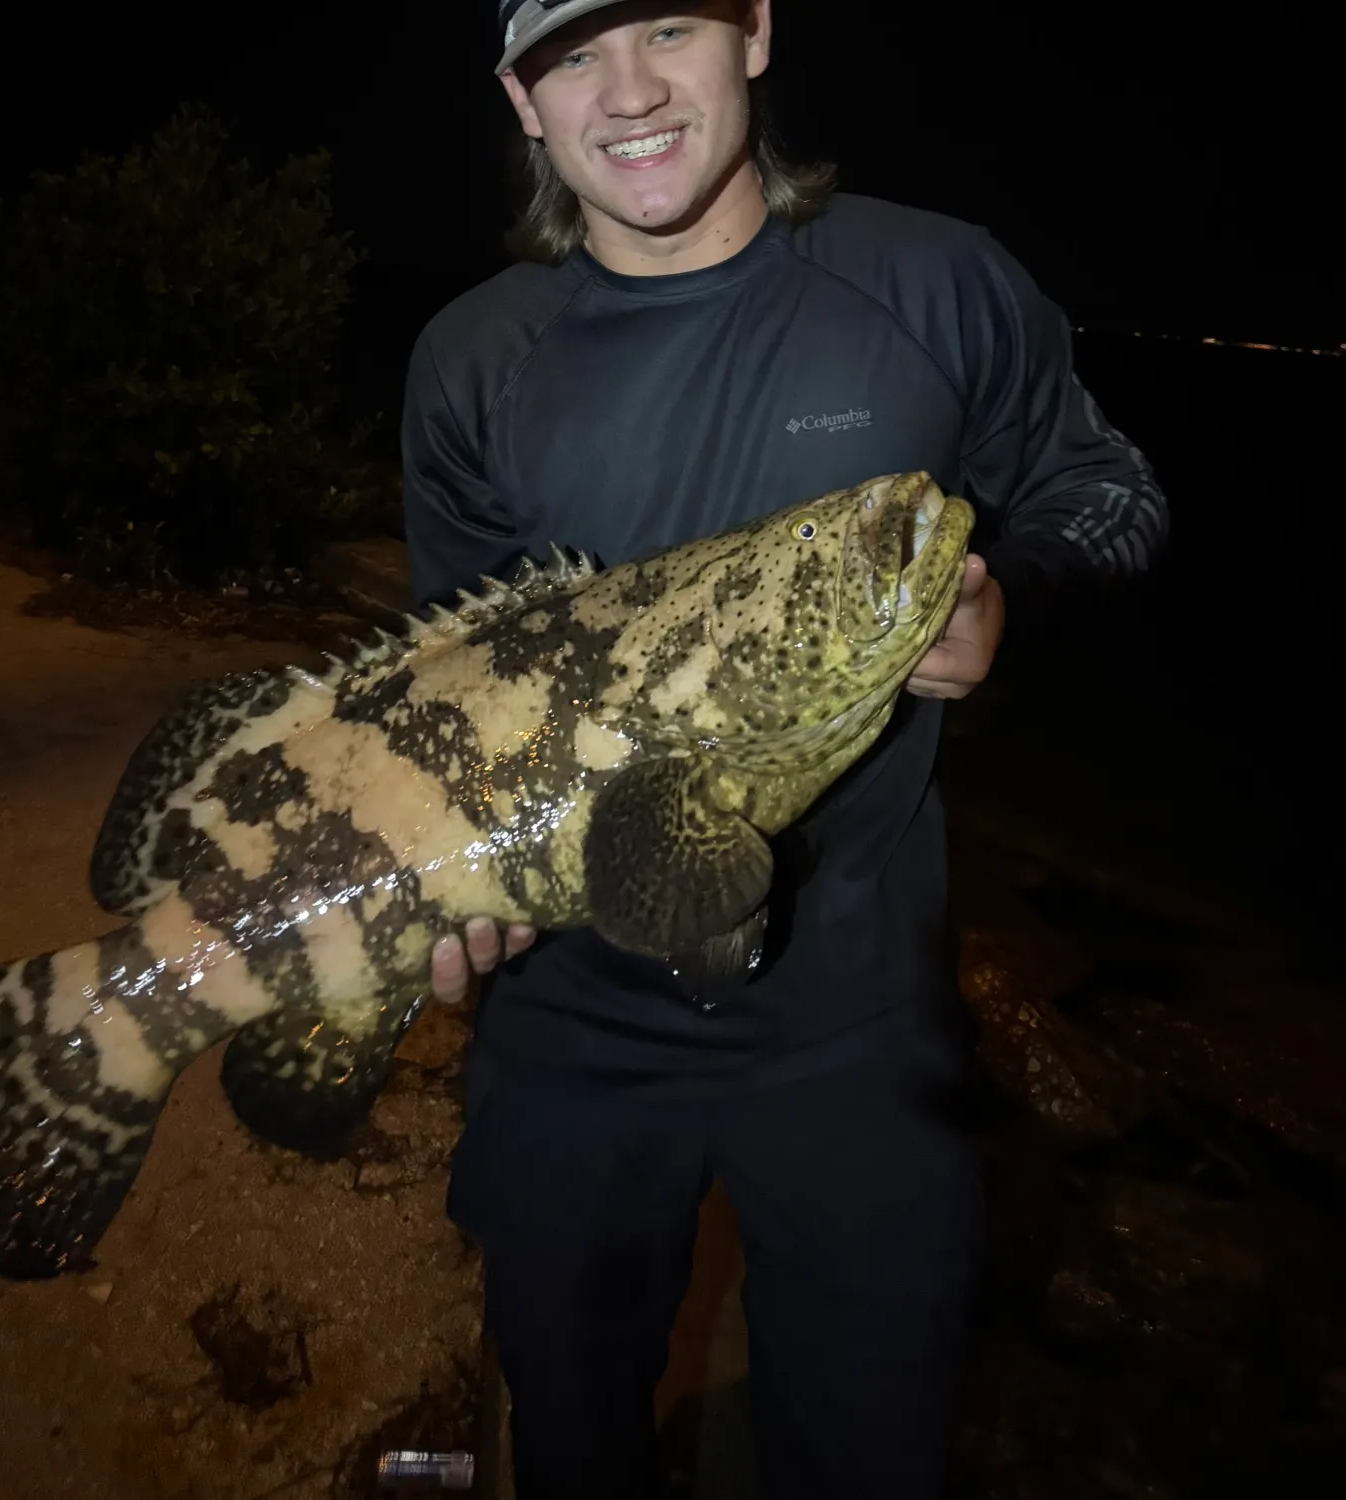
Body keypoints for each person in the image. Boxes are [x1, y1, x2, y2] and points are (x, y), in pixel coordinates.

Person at [398, 2, 1168, 1495]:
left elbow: (1113, 495)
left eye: (666, 23)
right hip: (563, 1041)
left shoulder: (935, 283)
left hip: (859, 1039)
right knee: (572, 1443)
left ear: (754, 29)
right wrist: (449, 893)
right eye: (570, 53)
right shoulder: (470, 360)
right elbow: (449, 697)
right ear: (519, 97)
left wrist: (1019, 603)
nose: (626, 91)